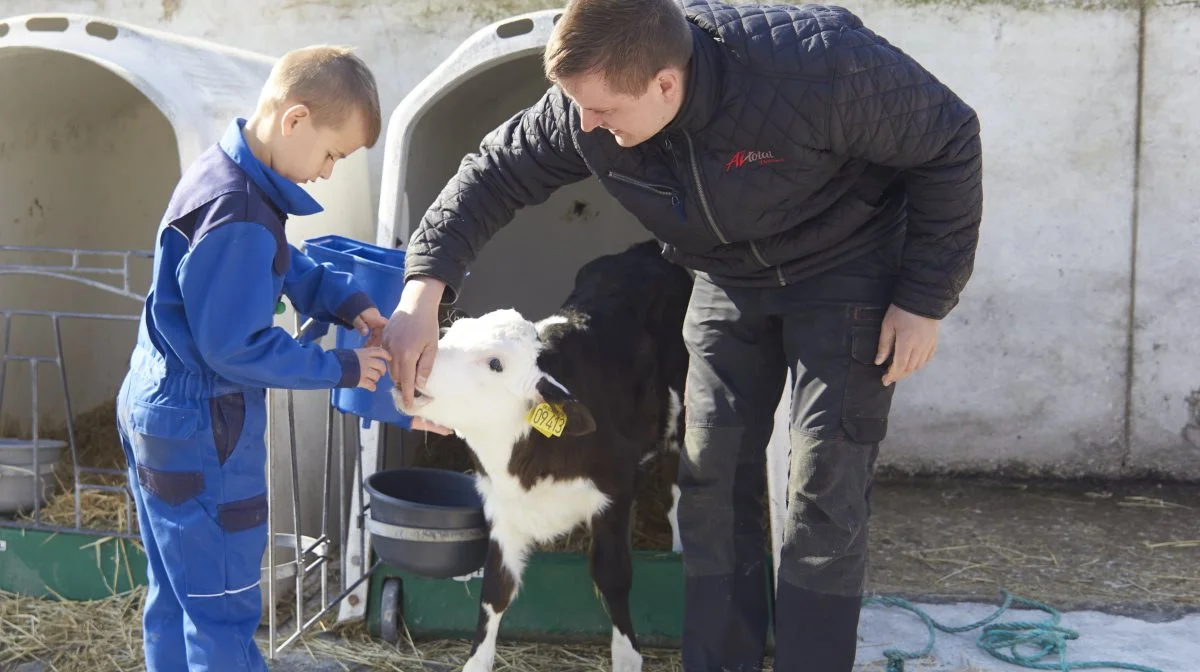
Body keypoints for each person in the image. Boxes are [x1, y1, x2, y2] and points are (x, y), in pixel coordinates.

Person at [383, 0, 982, 670]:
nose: (584, 125)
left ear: (665, 84)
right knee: (712, 482)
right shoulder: (584, 112)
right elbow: (492, 174)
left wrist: (923, 299)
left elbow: (951, 138)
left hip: (845, 269)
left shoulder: (817, 68)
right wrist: (421, 294)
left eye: (603, 110)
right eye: (575, 106)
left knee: (823, 489)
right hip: (724, 277)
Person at [114, 45, 433, 671]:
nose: (327, 172)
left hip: (157, 406)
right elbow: (236, 348)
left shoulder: (227, 177)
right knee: (223, 611)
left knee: (178, 596)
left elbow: (279, 263)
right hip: (203, 428)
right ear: (295, 120)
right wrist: (340, 368)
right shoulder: (238, 215)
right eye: (332, 154)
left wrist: (349, 302)